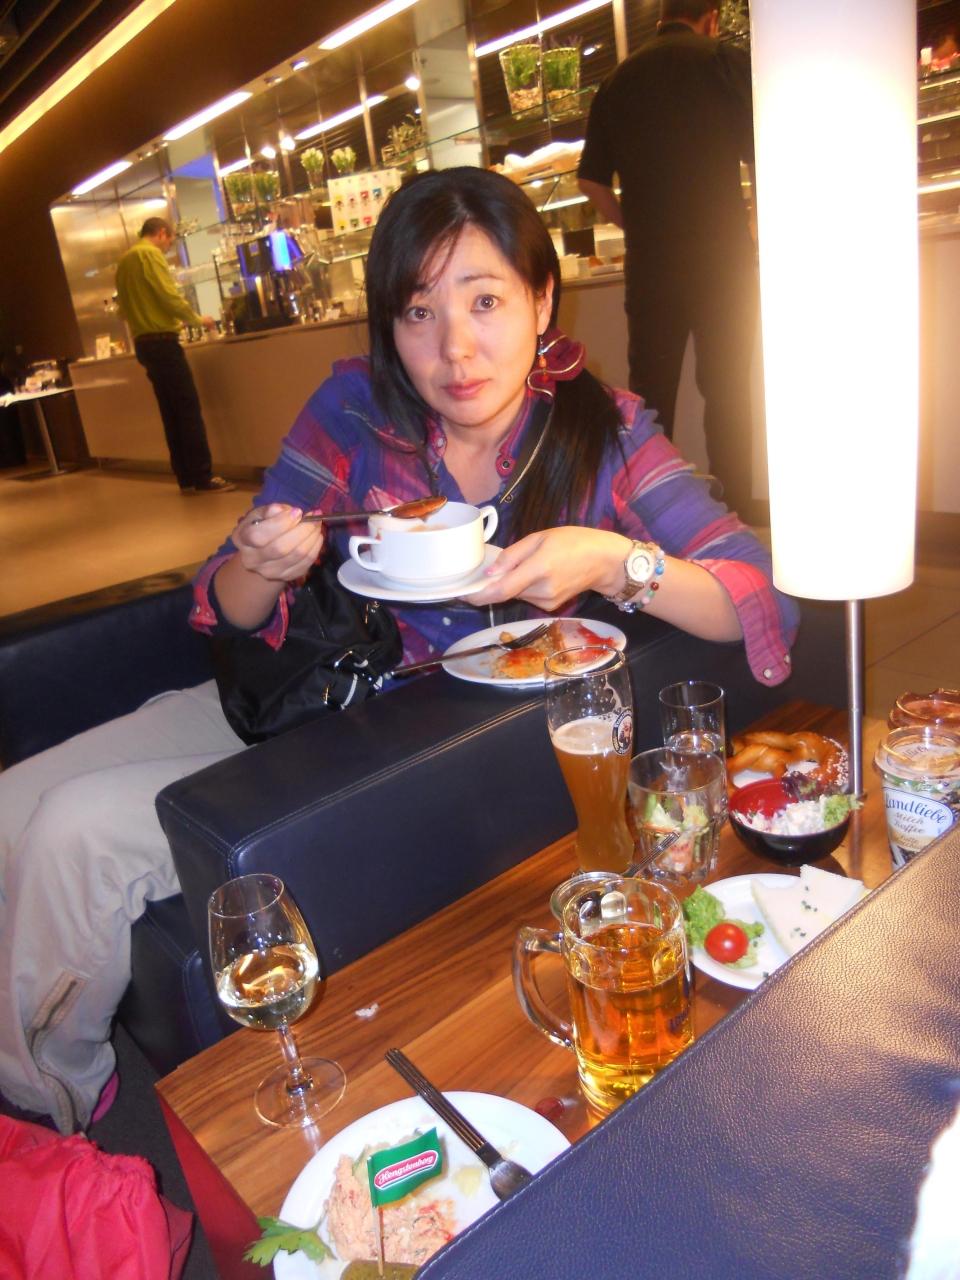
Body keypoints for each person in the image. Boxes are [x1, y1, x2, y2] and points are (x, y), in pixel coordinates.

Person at [0, 166, 798, 1134]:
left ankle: (44, 1103)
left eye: (485, 300)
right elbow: (227, 605)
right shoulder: (355, 411)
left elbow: (760, 597)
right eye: (419, 311)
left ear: (543, 300)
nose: (454, 348)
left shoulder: (605, 432)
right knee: (14, 798)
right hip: (296, 686)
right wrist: (262, 562)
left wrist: (614, 559)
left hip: (388, 743)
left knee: (74, 833)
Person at [577, 0, 758, 519]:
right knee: (727, 391)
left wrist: (632, 222)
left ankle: (655, 516)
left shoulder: (619, 80)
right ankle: (735, 516)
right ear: (712, 17)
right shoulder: (723, 61)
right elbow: (765, 150)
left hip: (654, 265)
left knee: (651, 397)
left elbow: (590, 180)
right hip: (723, 261)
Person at [115, 218, 234, 494]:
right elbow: (167, 296)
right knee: (187, 410)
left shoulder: (125, 262)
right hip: (163, 342)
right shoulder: (149, 255)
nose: (168, 247)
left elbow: (123, 309)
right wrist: (196, 319)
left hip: (144, 343)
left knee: (170, 413)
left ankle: (185, 477)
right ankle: (203, 476)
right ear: (162, 233)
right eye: (170, 240)